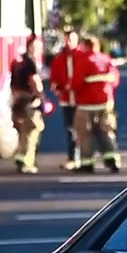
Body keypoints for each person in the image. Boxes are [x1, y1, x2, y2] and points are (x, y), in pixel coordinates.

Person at [72, 36, 121, 173]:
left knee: (85, 134)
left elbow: (76, 83)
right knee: (107, 131)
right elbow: (115, 81)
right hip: (106, 103)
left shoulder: (84, 62)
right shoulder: (107, 60)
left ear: (86, 47)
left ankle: (87, 164)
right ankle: (112, 160)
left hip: (86, 105)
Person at [47, 29, 85, 171]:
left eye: (71, 40)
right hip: (66, 100)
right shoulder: (59, 59)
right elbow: (54, 79)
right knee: (70, 130)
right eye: (66, 39)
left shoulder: (82, 57)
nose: (68, 43)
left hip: (82, 101)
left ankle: (84, 158)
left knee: (83, 131)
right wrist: (56, 86)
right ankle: (72, 158)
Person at [10, 35, 45, 174]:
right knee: (32, 131)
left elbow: (13, 84)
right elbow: (34, 81)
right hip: (30, 100)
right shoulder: (31, 63)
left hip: (19, 99)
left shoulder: (19, 62)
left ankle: (20, 156)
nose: (39, 50)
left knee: (23, 131)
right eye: (37, 47)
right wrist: (41, 98)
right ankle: (27, 162)